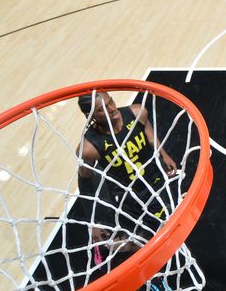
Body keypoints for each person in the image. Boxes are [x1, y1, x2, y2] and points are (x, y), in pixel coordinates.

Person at [76, 92, 178, 251]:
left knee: (164, 231)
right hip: (126, 196)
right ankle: (108, 247)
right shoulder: (89, 148)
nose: (111, 108)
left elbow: (150, 137)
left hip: (153, 181)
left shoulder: (137, 113)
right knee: (142, 241)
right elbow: (85, 181)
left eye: (110, 102)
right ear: (90, 116)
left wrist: (164, 155)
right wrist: (93, 222)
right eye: (103, 109)